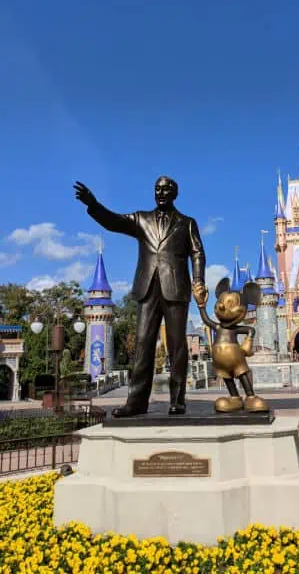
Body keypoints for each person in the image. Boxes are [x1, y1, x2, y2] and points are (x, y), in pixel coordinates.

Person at [74, 177, 206, 417]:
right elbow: (113, 221)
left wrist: (199, 280)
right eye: (157, 188)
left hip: (176, 288)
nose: (161, 192)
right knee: (143, 343)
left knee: (177, 347)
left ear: (175, 193)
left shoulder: (187, 223)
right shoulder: (141, 219)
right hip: (147, 288)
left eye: (166, 189)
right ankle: (136, 402)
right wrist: (93, 204)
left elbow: (198, 253)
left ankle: (177, 400)